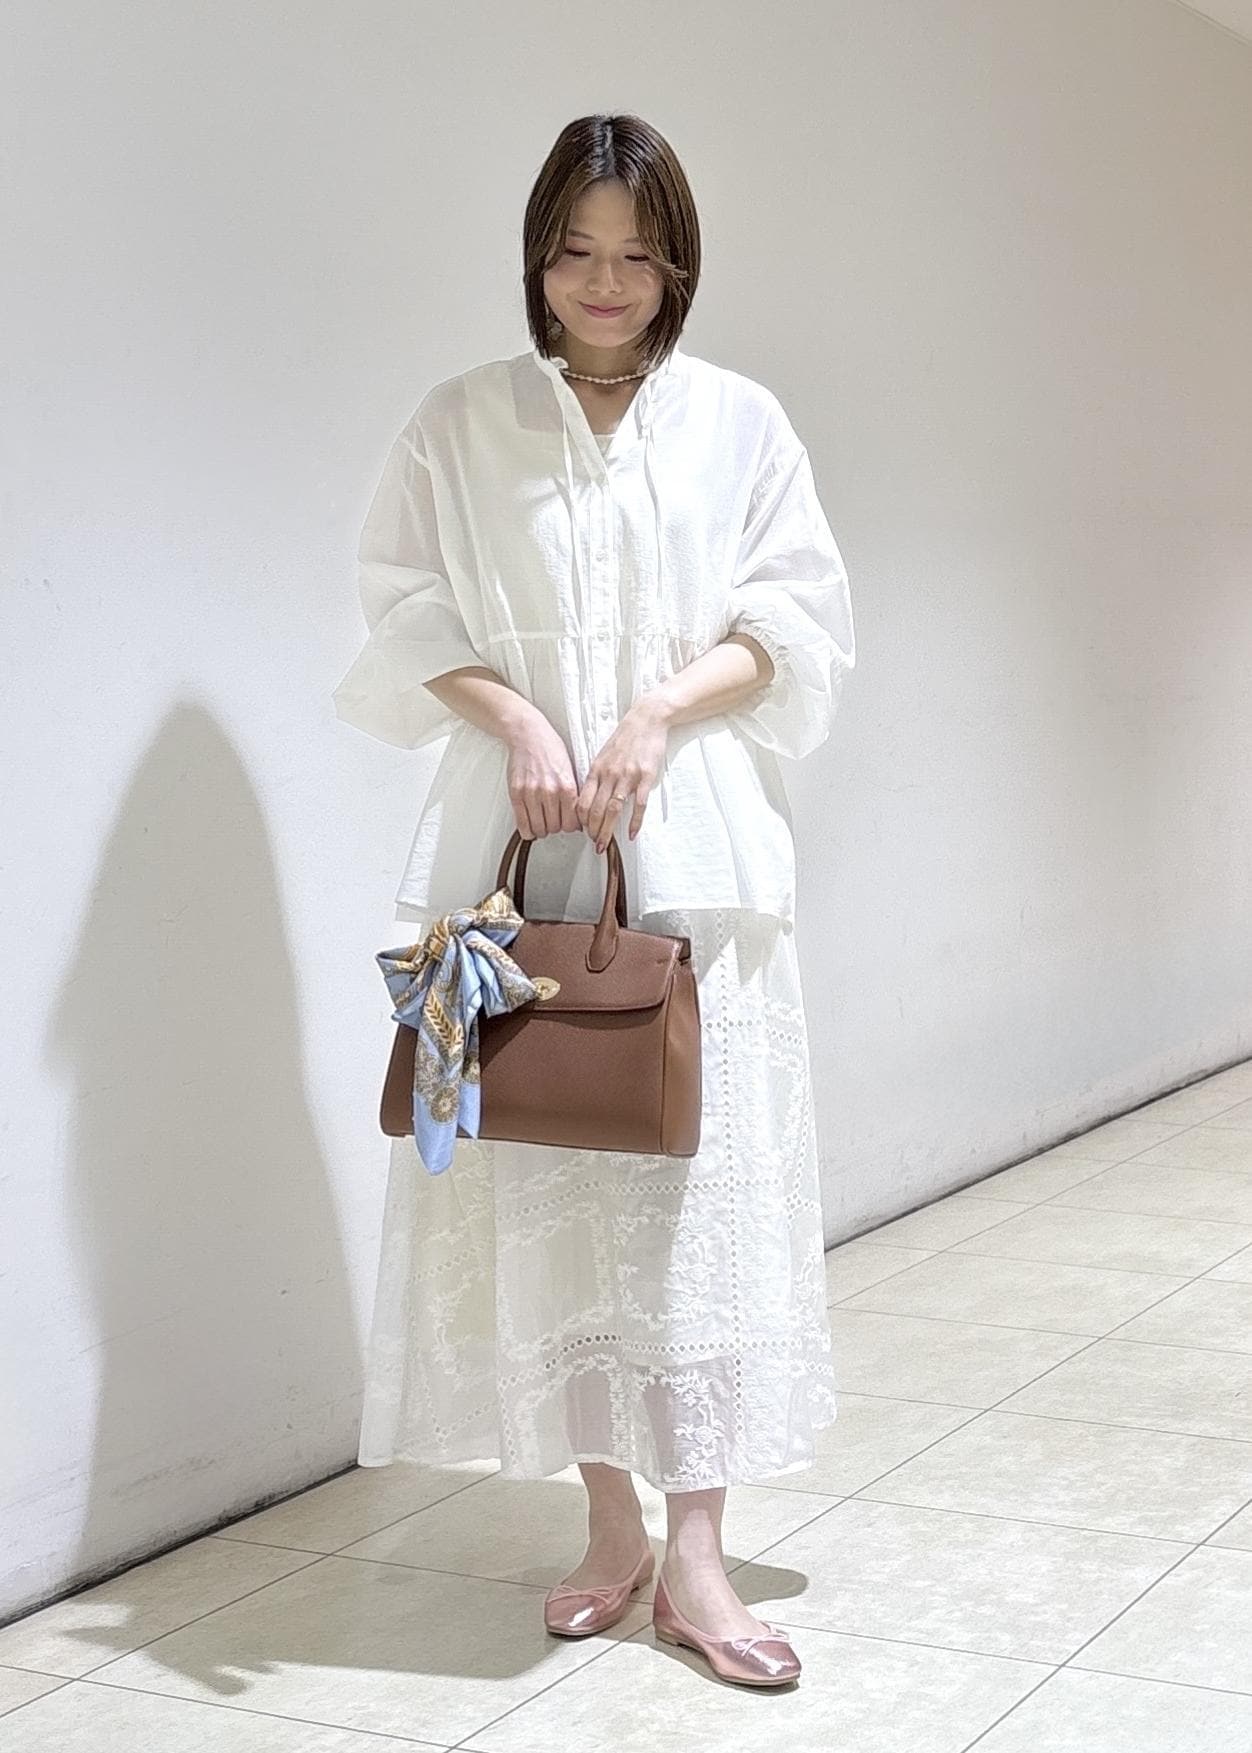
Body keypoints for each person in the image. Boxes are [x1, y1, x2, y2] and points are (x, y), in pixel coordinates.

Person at [332, 112, 855, 1688]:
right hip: (506, 858)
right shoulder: (459, 423)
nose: (606, 281)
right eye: (576, 250)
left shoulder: (741, 422)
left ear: (676, 263)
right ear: (537, 259)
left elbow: (798, 622)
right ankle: (612, 1526)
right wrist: (517, 714)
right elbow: (402, 607)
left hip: (699, 861)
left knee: (694, 1198)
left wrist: (653, 717)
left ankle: (699, 1553)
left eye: (637, 253)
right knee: (545, 1188)